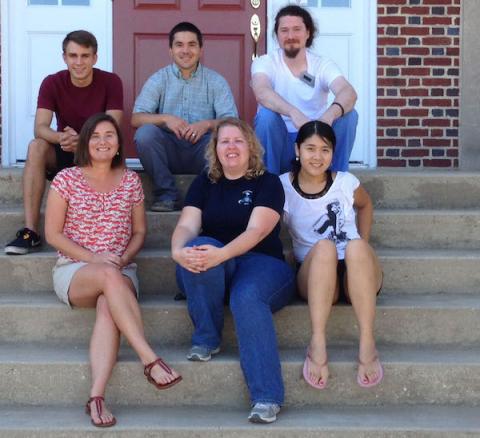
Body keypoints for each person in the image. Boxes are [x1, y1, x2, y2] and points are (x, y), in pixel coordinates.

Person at [45, 113, 181, 428]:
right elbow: (53, 235)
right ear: (85, 143)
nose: (102, 141)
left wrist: (122, 258)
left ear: (119, 144)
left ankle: (96, 397)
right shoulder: (67, 179)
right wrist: (96, 258)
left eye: (109, 135)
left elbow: (138, 234)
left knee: (109, 302)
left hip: (121, 269)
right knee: (108, 277)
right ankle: (150, 359)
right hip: (76, 268)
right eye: (95, 136)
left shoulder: (130, 181)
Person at [171, 118, 295, 424]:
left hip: (262, 264)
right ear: (215, 148)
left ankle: (266, 397)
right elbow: (187, 224)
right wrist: (177, 251)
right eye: (224, 141)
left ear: (250, 146)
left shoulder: (268, 183)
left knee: (247, 299)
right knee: (198, 246)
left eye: (238, 140)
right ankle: (207, 337)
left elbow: (256, 232)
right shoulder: (205, 182)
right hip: (218, 266)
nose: (231, 147)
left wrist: (221, 254)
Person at [280, 120, 383, 391]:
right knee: (324, 246)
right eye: (310, 148)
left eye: (325, 150)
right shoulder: (282, 188)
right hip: (315, 272)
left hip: (355, 271)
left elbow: (366, 204)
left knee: (357, 246)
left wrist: (363, 245)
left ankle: (367, 342)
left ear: (333, 153)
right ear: (297, 150)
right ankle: (317, 341)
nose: (317, 156)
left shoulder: (346, 182)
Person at [5, 30, 123, 255]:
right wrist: (61, 138)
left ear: (95, 58)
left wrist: (84, 141)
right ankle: (30, 232)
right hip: (65, 149)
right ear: (64, 57)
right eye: (73, 56)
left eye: (85, 56)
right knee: (36, 146)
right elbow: (40, 127)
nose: (79, 62)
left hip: (97, 152)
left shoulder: (111, 81)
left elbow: (114, 126)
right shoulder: (52, 82)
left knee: (105, 143)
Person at [132, 22, 238, 212]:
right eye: (179, 45)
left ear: (200, 49)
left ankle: (208, 195)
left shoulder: (216, 81)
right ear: (171, 50)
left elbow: (233, 122)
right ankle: (166, 194)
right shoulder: (159, 79)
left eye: (192, 44)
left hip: (202, 152)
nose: (185, 50)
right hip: (168, 150)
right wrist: (165, 119)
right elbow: (136, 118)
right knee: (145, 134)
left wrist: (206, 124)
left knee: (222, 140)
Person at [251, 5, 358, 175]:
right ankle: (268, 184)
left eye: (297, 29)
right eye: (284, 30)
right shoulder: (265, 62)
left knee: (349, 114)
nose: (290, 36)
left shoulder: (322, 64)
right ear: (277, 35)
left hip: (316, 142)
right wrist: (293, 113)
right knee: (266, 116)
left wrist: (328, 117)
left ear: (308, 33)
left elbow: (348, 92)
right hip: (282, 142)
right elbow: (261, 92)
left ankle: (336, 181)